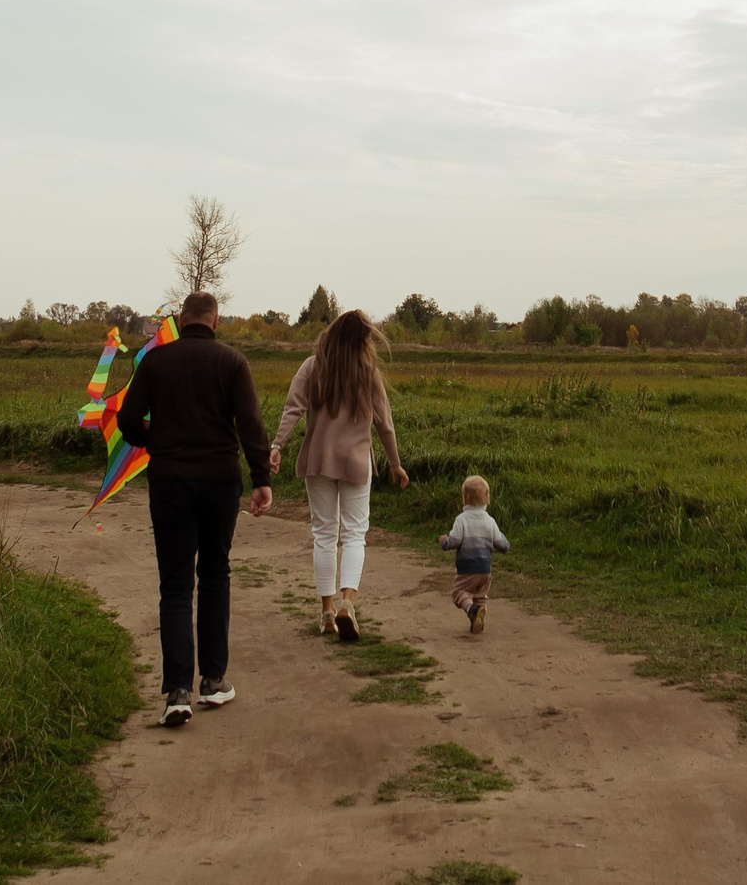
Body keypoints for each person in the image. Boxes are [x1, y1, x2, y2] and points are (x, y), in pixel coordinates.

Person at [115, 290, 273, 728]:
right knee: (216, 572)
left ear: (182, 320)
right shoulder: (233, 363)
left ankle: (177, 690)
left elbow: (127, 420)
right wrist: (262, 479)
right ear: (215, 321)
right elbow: (251, 423)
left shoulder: (155, 363)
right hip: (221, 480)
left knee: (175, 584)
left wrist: (156, 439)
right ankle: (214, 680)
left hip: (169, 480)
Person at [270, 308, 406, 642]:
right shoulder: (368, 371)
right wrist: (395, 463)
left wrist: (277, 445)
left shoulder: (312, 366)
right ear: (361, 340)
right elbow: (384, 424)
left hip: (319, 461)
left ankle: (327, 612)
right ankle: (348, 602)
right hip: (357, 463)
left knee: (325, 534)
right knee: (355, 534)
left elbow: (293, 409)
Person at [438, 474, 509, 634]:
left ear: (464, 499)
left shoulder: (461, 519)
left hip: (467, 569)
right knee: (480, 596)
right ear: (487, 499)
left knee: (459, 593)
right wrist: (505, 546)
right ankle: (478, 618)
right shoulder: (490, 520)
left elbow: (455, 540)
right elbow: (500, 542)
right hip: (485, 569)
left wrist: (445, 542)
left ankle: (471, 610)